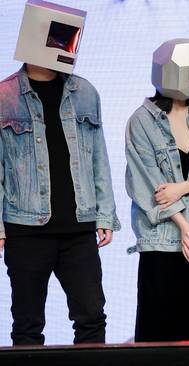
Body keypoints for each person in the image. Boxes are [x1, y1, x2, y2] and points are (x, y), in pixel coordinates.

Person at [0, 1, 120, 345]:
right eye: (59, 37)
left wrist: (104, 214)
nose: (66, 46)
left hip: (79, 228)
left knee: (92, 318)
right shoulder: (5, 97)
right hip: (25, 228)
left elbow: (99, 158)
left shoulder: (86, 93)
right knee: (27, 325)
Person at [125, 39, 189, 342]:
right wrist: (183, 225)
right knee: (159, 333)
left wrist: (181, 188)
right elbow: (147, 185)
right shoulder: (141, 121)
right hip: (162, 241)